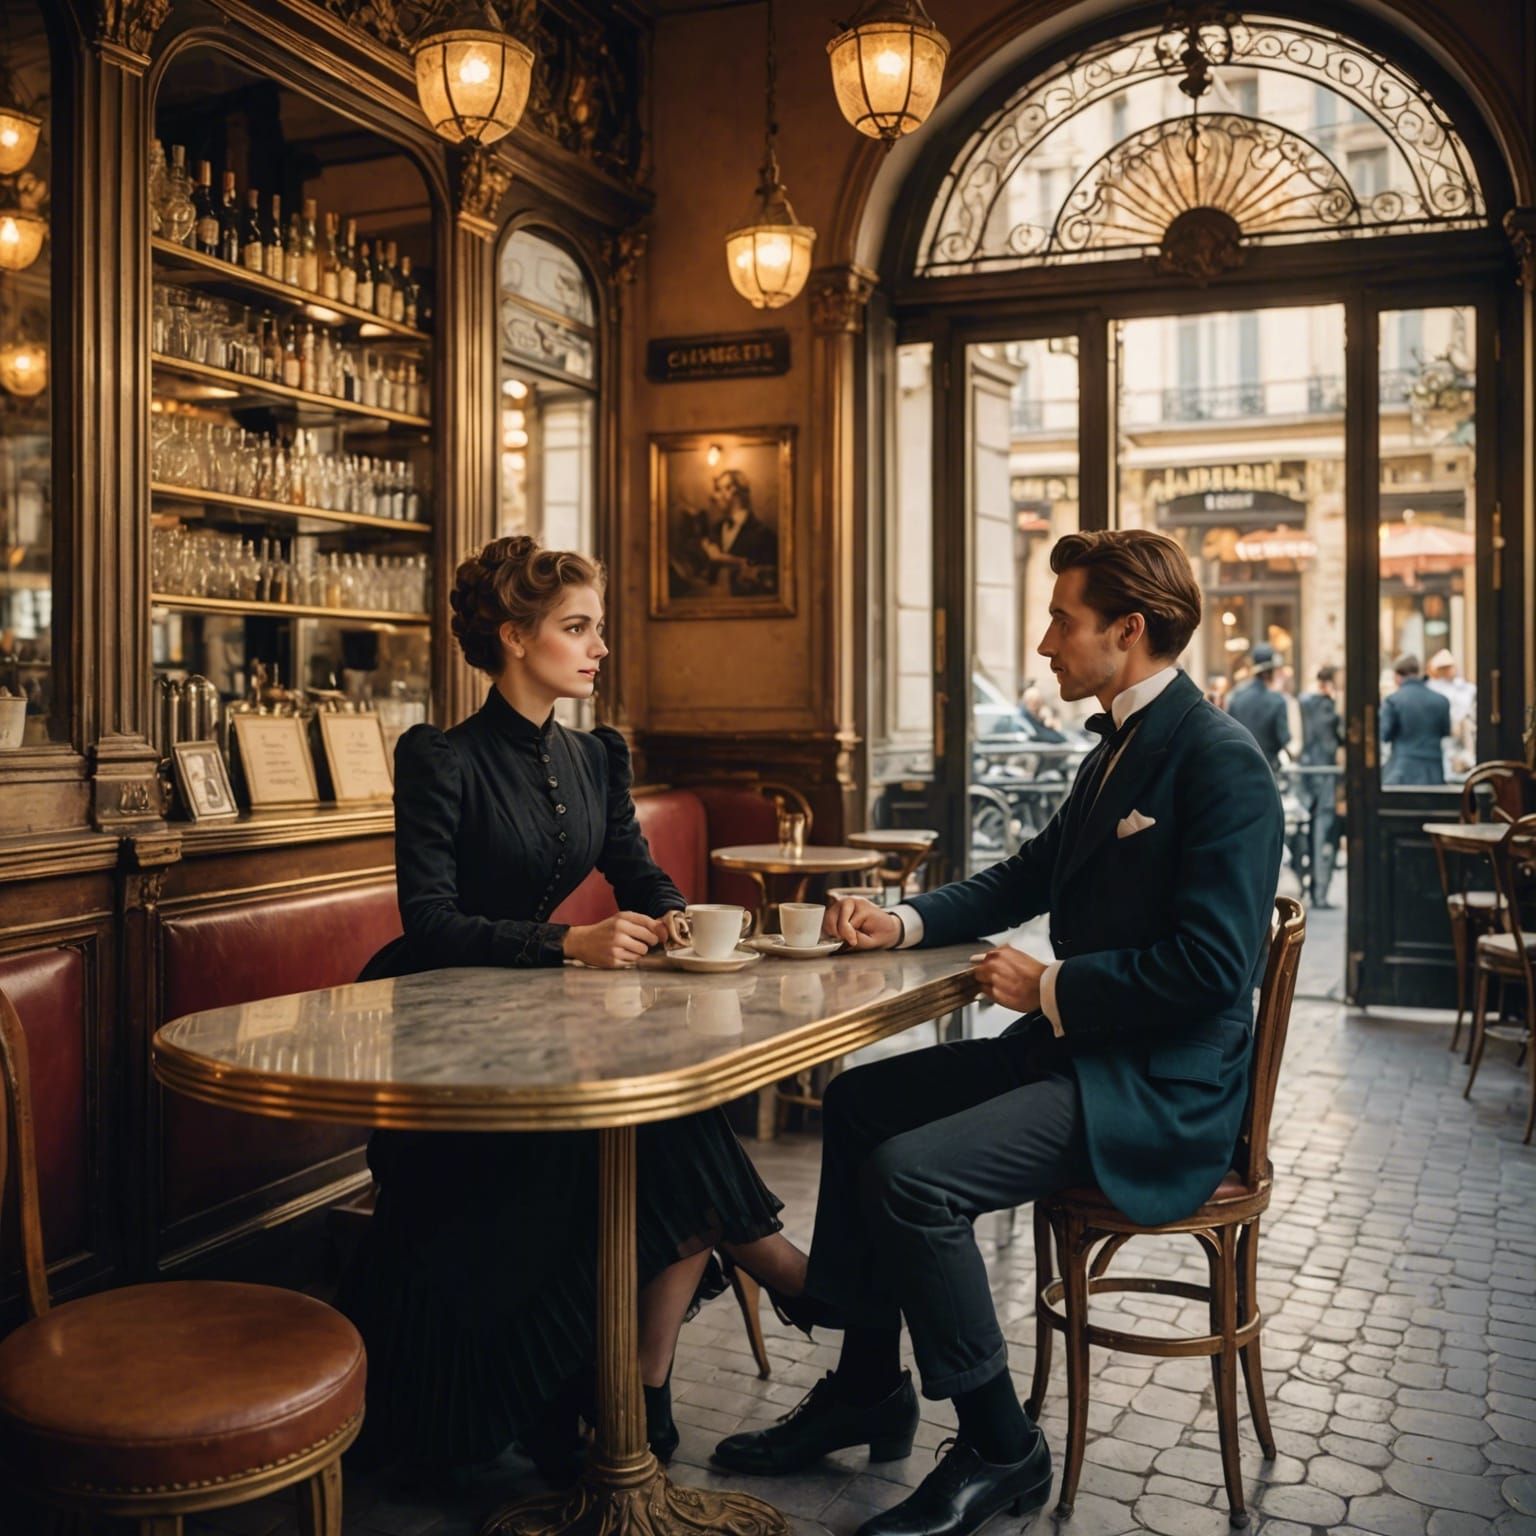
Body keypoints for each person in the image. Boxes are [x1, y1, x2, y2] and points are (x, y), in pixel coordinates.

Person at [713, 529, 1283, 1536]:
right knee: (860, 1102)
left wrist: (1051, 985)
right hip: (1084, 1056)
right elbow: (1025, 875)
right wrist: (905, 919)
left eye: (1062, 619)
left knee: (914, 1178)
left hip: (1156, 1090)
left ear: (1128, 629)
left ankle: (1000, 1446)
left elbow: (1211, 971)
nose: (1044, 642)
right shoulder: (1118, 749)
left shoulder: (1219, 760)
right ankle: (867, 1386)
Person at [339, 536, 815, 1481]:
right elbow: (428, 921)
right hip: (443, 1050)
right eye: (577, 629)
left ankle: (640, 1384)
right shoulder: (442, 757)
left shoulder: (594, 754)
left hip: (540, 1031)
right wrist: (567, 942)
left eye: (598, 629)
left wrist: (678, 921)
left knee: (674, 1113)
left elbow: (639, 873)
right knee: (668, 1128)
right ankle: (805, 1291)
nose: (599, 648)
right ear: (514, 637)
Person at [1294, 665, 1344, 908]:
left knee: (1305, 831)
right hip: (1323, 774)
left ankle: (1309, 887)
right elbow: (1340, 736)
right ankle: (1319, 893)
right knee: (1322, 833)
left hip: (1305, 772)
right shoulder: (1329, 707)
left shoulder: (1304, 701)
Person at [701, 467, 778, 596]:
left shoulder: (763, 534)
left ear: (733, 491)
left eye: (719, 490)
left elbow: (771, 576)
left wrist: (727, 560)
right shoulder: (715, 529)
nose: (714, 497)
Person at [1381, 652, 1452, 785]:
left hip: (1402, 771)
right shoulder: (1441, 701)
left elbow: (1385, 734)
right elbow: (1445, 732)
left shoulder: (1393, 701)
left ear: (1397, 676)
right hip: (1433, 771)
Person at [1225, 643, 1291, 774]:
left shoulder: (1236, 697)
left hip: (1238, 771)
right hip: (1267, 772)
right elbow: (1283, 739)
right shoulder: (1277, 701)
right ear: (1270, 672)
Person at [1427, 648, 1476, 777]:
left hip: (1459, 732)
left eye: (1449, 667)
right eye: (1444, 667)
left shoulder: (1463, 688)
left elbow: (1465, 711)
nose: (1448, 670)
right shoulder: (1432, 687)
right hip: (1441, 734)